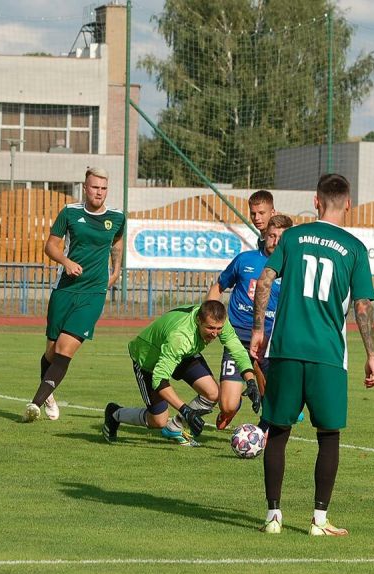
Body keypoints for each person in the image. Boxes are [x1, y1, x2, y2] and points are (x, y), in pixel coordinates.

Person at [249, 173, 374, 537]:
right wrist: (372, 354)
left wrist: (258, 330)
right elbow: (363, 305)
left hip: (286, 348)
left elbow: (264, 281)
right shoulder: (354, 248)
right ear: (348, 204)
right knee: (328, 435)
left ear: (316, 201)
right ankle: (319, 521)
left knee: (278, 431)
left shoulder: (291, 237)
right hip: (327, 355)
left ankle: (273, 516)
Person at [22, 167, 125, 423]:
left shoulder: (118, 217)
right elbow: (50, 245)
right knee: (51, 351)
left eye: (103, 188)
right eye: (94, 187)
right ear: (85, 188)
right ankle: (49, 394)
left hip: (93, 292)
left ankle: (35, 403)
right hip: (64, 289)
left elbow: (117, 244)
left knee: (66, 349)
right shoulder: (70, 212)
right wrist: (66, 261)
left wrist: (116, 271)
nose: (99, 192)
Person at [101, 300, 261, 446]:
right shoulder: (180, 337)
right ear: (199, 320)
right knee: (158, 421)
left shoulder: (218, 321)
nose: (215, 333)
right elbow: (159, 379)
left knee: (213, 393)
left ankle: (175, 427)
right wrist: (185, 410)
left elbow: (238, 350)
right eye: (210, 328)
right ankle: (115, 413)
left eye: (218, 329)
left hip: (185, 354)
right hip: (148, 361)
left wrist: (250, 380)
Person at [205, 214, 293, 431]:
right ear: (266, 236)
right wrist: (208, 315)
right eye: (272, 236)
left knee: (276, 398)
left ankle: (263, 430)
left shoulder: (293, 269)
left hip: (271, 340)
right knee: (227, 404)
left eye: (281, 238)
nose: (275, 241)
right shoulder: (245, 260)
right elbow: (218, 287)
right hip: (237, 337)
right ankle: (234, 405)